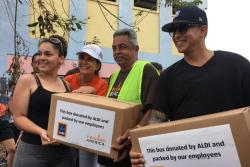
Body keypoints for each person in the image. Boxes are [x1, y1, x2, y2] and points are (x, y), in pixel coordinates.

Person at [130, 6, 250, 166]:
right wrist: (142, 150)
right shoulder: (167, 77)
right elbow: (156, 125)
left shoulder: (237, 65)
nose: (177, 35)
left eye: (183, 28)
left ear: (203, 31)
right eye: (173, 31)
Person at [12, 35, 76, 167]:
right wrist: (42, 132)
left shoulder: (66, 85)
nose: (41, 58)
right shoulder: (28, 80)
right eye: (40, 53)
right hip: (33, 151)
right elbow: (18, 117)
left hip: (64, 154)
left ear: (61, 59)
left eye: (48, 54)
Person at [98, 28, 159, 167]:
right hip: (111, 150)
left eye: (122, 47)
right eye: (114, 48)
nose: (117, 52)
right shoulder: (114, 76)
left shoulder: (146, 69)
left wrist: (135, 131)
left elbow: (154, 110)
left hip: (132, 153)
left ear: (135, 49)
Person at [64, 44, 108, 167]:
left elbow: (99, 113)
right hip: (67, 132)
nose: (84, 62)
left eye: (89, 59)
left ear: (97, 65)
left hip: (89, 135)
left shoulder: (102, 84)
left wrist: (92, 93)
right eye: (82, 58)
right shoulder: (68, 79)